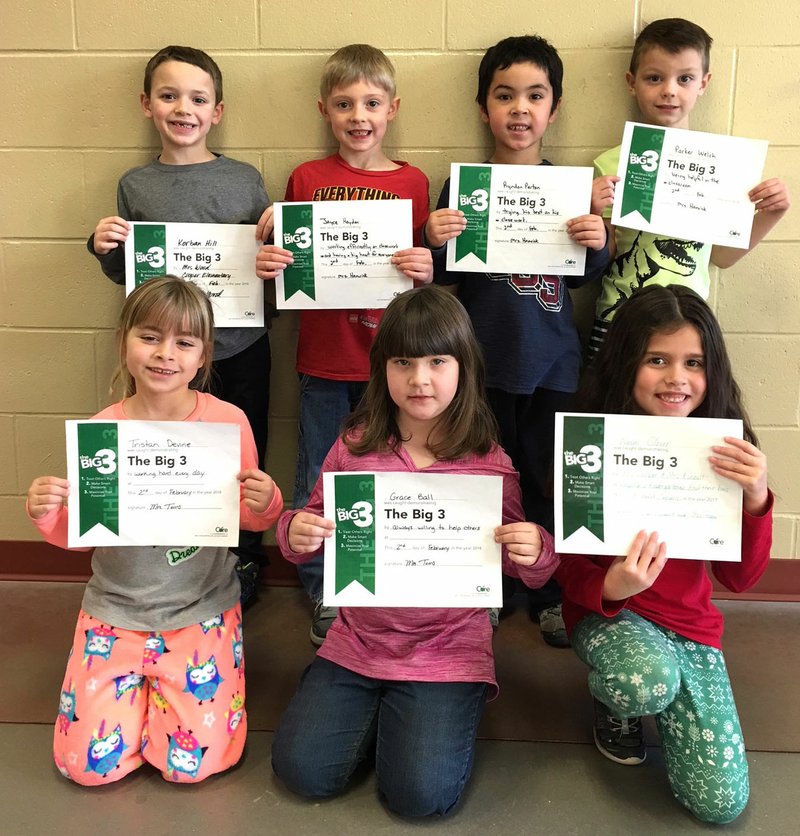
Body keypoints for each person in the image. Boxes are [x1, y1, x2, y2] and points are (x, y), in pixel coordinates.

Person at [271, 285, 558, 817]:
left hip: (447, 649)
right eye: (403, 361)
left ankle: (424, 711)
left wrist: (534, 550)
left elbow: (532, 573)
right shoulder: (353, 447)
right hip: (358, 638)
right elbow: (302, 530)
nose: (420, 379)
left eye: (437, 361)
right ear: (382, 368)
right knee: (302, 772)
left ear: (463, 367)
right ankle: (381, 709)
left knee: (419, 798)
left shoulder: (489, 462)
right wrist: (296, 532)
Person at [27, 277, 283, 786]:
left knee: (191, 767)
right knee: (86, 767)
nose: (165, 354)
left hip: (200, 610)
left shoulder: (228, 423)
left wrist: (267, 502)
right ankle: (135, 701)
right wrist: (49, 512)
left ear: (203, 355)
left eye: (184, 343)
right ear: (124, 341)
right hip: (115, 611)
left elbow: (248, 521)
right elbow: (81, 533)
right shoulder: (104, 429)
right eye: (150, 337)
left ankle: (159, 704)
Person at [556, 284, 772, 824]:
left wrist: (756, 500)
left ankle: (662, 688)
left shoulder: (724, 445)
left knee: (722, 804)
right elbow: (565, 563)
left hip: (690, 625)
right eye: (658, 359)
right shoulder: (589, 441)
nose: (677, 378)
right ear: (628, 362)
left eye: (693, 362)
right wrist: (610, 589)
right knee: (643, 679)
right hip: (616, 617)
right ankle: (617, 704)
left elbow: (740, 580)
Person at [425, 35, 610, 646]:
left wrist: (596, 237)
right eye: (505, 96)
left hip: (552, 365)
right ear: (484, 109)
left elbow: (589, 274)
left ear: (554, 110)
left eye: (535, 96)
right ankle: (490, 586)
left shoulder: (571, 189)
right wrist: (434, 235)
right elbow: (444, 273)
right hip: (480, 367)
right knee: (482, 479)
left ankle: (550, 589)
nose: (520, 109)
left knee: (545, 478)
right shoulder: (464, 189)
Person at [255, 44, 433, 644]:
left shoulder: (413, 181)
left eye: (372, 103)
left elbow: (420, 271)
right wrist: (277, 257)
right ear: (325, 110)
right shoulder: (306, 179)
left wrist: (425, 264)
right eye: (344, 104)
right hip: (324, 360)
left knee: (391, 474)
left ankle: (384, 575)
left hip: (394, 366)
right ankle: (325, 589)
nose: (359, 116)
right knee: (319, 476)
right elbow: (290, 270)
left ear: (393, 108)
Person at [87, 45, 274, 606]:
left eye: (197, 98)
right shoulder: (135, 185)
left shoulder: (244, 178)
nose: (183, 108)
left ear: (218, 110)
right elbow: (130, 275)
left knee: (241, 451)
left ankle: (244, 559)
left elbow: (262, 261)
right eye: (168, 96)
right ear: (147, 104)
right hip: (166, 357)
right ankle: (175, 560)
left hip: (239, 345)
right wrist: (104, 250)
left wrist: (272, 261)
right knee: (168, 450)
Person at [589, 18, 790, 355]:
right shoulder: (611, 163)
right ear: (632, 82)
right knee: (607, 404)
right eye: (655, 78)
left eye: (685, 79)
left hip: (687, 325)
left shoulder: (722, 166)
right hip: (617, 318)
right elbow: (606, 253)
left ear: (704, 83)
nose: (669, 90)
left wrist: (772, 214)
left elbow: (721, 257)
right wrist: (595, 211)